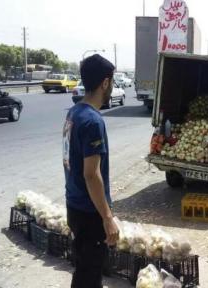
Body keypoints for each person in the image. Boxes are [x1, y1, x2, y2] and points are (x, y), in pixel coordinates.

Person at [63, 54, 119, 288]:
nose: (112, 86)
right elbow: (91, 174)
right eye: (112, 82)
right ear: (105, 83)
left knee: (87, 270)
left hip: (74, 204)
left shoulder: (74, 113)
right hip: (89, 212)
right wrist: (107, 218)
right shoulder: (93, 121)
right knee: (88, 273)